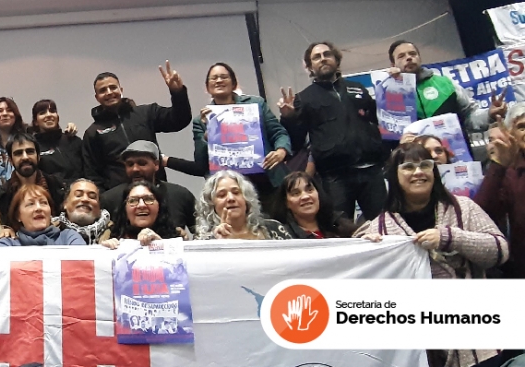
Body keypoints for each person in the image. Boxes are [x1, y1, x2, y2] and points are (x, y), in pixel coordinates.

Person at [354, 143, 508, 367]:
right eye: (408, 167)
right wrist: (368, 252)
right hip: (420, 350)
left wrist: (451, 238)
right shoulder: (380, 227)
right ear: (394, 176)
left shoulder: (463, 208)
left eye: (425, 165)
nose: (418, 172)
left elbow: (500, 250)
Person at [279, 41, 387, 221]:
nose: (323, 59)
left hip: (372, 172)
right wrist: (289, 117)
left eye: (327, 54)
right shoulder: (303, 99)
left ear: (336, 60)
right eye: (316, 57)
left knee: (386, 228)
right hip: (335, 178)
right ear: (310, 67)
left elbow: (380, 121)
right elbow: (296, 143)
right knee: (339, 231)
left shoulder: (358, 88)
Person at [164, 62, 291, 200]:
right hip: (230, 190)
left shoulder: (255, 104)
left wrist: (281, 151)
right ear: (207, 87)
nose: (219, 80)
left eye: (224, 77)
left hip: (268, 182)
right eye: (214, 78)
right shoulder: (201, 121)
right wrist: (209, 135)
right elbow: (201, 164)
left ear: (234, 83)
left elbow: (279, 133)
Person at [83, 61, 193, 190]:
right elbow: (92, 174)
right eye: (103, 90)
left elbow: (180, 120)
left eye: (113, 87)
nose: (109, 92)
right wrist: (106, 202)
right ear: (97, 97)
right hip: (120, 198)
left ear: (121, 90)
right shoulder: (93, 132)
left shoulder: (146, 113)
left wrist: (178, 93)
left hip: (156, 190)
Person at [389, 40, 508, 156]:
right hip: (419, 165)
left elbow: (470, 116)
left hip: (458, 159)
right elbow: (390, 139)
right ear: (393, 64)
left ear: (420, 58)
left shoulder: (446, 84)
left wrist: (489, 115)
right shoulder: (390, 95)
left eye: (413, 54)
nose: (409, 58)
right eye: (401, 56)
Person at [99, 140, 196, 232]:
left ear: (156, 165)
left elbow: (202, 231)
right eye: (130, 164)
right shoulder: (110, 199)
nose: (135, 169)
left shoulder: (180, 195)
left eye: (142, 163)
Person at [475, 105, 525, 278]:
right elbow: (481, 215)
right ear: (512, 134)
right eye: (522, 127)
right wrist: (498, 165)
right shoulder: (508, 173)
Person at [195, 170, 291, 240]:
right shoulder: (204, 241)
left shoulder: (274, 228)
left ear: (247, 199)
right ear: (211, 204)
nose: (231, 198)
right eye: (222, 195)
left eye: (236, 192)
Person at [0, 133, 66, 222]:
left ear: (38, 157)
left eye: (30, 151)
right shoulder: (1, 196)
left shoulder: (57, 186)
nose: (25, 157)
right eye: (18, 153)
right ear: (11, 160)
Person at [268, 172, 357, 239]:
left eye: (309, 190)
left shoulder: (340, 226)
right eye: (296, 193)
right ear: (286, 203)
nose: (305, 197)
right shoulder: (282, 237)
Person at [0, 185, 85, 246]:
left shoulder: (69, 237)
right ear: (18, 216)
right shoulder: (7, 244)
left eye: (43, 203)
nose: (39, 208)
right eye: (30, 204)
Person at [100, 181, 180, 249]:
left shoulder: (179, 239)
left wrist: (161, 246)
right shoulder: (107, 236)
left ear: (160, 206)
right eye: (133, 201)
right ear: (124, 209)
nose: (141, 205)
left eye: (148, 199)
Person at [31, 99, 84, 186]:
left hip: (80, 193)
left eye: (52, 111)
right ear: (36, 122)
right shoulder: (33, 147)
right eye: (42, 113)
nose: (48, 115)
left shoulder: (73, 140)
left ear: (57, 117)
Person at [53, 179, 112, 245]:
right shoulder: (49, 229)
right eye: (78, 195)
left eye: (92, 197)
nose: (85, 199)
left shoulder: (116, 231)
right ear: (65, 203)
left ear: (99, 207)